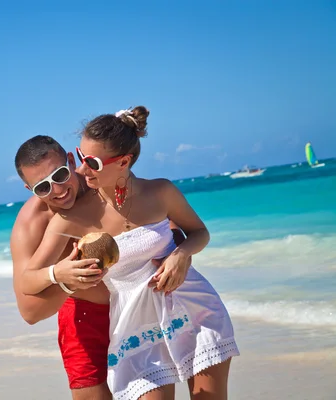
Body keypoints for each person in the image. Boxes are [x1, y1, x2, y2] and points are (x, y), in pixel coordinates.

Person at [21, 107, 239, 400]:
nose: (82, 171)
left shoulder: (160, 192)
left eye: (92, 163)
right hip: (137, 327)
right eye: (82, 158)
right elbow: (27, 282)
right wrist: (57, 273)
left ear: (123, 162)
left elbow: (200, 233)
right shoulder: (71, 218)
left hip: (193, 310)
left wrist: (181, 255)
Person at [11, 135, 190, 400]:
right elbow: (30, 312)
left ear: (72, 161)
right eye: (43, 187)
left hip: (141, 306)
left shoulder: (103, 180)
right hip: (86, 319)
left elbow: (163, 219)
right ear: (30, 190)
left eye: (60, 175)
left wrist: (179, 253)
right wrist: (67, 279)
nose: (57, 190)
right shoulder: (33, 224)